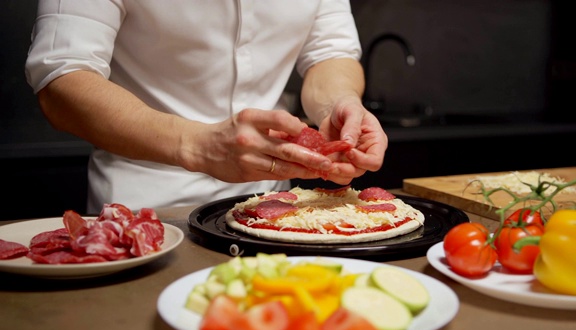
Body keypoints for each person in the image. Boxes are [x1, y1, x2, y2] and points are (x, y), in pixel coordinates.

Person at [25, 0, 388, 214]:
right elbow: (62, 79)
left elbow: (330, 53)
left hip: (276, 205)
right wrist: (199, 144)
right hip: (147, 210)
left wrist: (338, 103)